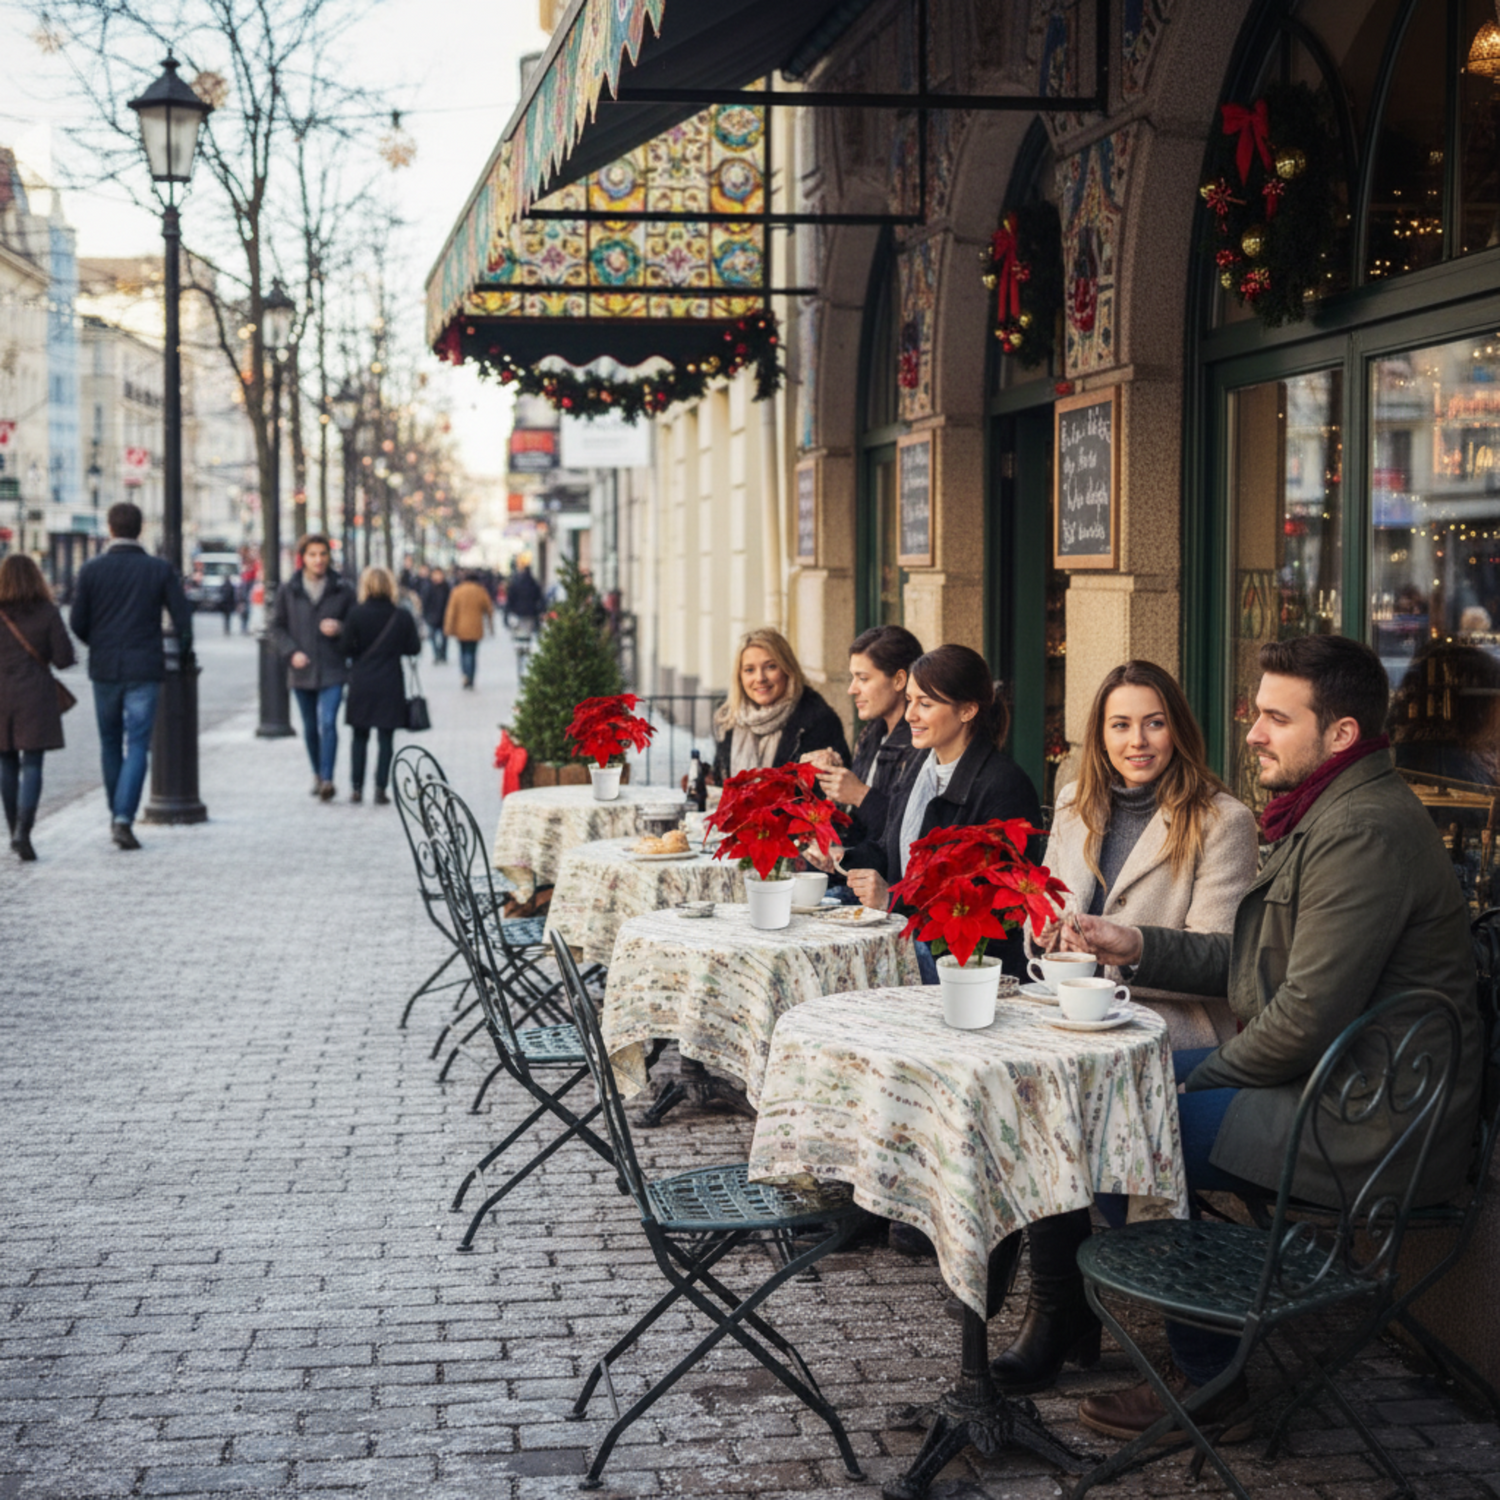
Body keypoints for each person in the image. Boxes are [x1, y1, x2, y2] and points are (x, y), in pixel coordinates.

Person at [1060, 635, 1482, 1444]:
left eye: (1275, 718)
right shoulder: (1331, 812)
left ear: (1341, 735)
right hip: (1334, 1082)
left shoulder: (1361, 832)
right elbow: (1256, 964)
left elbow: (1303, 1020)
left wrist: (1178, 1088)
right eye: (1257, 713)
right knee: (1108, 1104)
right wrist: (1133, 943)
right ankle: (1200, 1331)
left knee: (1122, 1127)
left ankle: (1211, 1380)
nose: (1251, 732)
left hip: (1365, 1115)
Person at [991, 660, 1259, 1397]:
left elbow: (1222, 961)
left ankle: (1074, 1319)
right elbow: (1040, 910)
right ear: (1098, 734)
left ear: (1178, 727)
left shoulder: (1221, 819)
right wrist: (1045, 934)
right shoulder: (1076, 803)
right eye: (1120, 724)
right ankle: (1060, 1309)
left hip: (1174, 1033)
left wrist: (1125, 945)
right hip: (1074, 1020)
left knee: (1072, 1121)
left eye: (1153, 721)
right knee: (1021, 1101)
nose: (1137, 740)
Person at [835, 643, 1042, 983]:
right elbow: (890, 850)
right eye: (911, 700)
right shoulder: (920, 763)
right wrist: (841, 857)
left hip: (970, 969)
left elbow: (987, 901)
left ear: (967, 711)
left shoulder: (1004, 785)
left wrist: (891, 898)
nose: (909, 715)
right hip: (911, 942)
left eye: (925, 704)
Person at [69, 501, 193, 850]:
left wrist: (101, 642)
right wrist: (184, 654)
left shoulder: (92, 570)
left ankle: (116, 813)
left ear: (110, 528)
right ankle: (124, 816)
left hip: (106, 667)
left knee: (110, 742)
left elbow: (78, 622)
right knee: (138, 743)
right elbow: (182, 618)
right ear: (140, 529)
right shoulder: (157, 569)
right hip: (145, 666)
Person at [814, 624, 926, 852]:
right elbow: (858, 829)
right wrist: (827, 778)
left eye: (863, 678)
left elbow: (914, 834)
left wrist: (859, 794)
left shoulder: (922, 742)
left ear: (899, 680)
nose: (852, 689)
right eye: (852, 678)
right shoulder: (871, 734)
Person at [0, 554, 77, 861]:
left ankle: (14, 829)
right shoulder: (47, 611)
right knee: (32, 764)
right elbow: (63, 658)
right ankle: (24, 832)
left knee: (5, 763)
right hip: (35, 695)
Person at [270, 533, 355, 801]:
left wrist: (341, 629)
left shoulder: (343, 588)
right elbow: (275, 627)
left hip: (333, 667)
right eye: (312, 555)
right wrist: (291, 651)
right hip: (302, 669)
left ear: (329, 557)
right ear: (303, 558)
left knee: (328, 722)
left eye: (322, 554)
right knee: (309, 726)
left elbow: (356, 627)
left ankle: (328, 778)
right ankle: (317, 773)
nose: (318, 560)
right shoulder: (289, 589)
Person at [709, 627, 851, 782]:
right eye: (749, 670)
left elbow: (830, 793)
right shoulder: (729, 719)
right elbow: (721, 781)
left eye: (770, 667)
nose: (760, 678)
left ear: (787, 669)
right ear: (739, 677)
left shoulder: (818, 721)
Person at [341, 566, 420, 805]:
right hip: (390, 682)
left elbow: (345, 648)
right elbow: (413, 648)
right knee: (386, 739)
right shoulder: (401, 615)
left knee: (359, 737)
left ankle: (356, 788)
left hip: (362, 682)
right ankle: (380, 789)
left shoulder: (355, 614)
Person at [443, 569, 494, 689]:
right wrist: (491, 626)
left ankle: (465, 674)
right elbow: (489, 609)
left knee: (463, 651)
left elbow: (451, 611)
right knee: (472, 652)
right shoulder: (481, 591)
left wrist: (448, 627)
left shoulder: (457, 591)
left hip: (460, 628)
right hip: (476, 627)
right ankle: (471, 677)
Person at [422, 565, 451, 664]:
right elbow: (425, 601)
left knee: (444, 638)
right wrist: (425, 615)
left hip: (444, 616)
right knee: (433, 638)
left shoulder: (446, 587)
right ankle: (437, 655)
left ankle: (443, 655)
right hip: (432, 617)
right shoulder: (428, 587)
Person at [507, 560, 543, 635]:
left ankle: (520, 645)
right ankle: (526, 644)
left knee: (519, 632)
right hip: (530, 612)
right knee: (528, 632)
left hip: (518, 612)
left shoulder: (516, 583)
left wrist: (510, 610)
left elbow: (511, 598)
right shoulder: (534, 583)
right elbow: (539, 598)